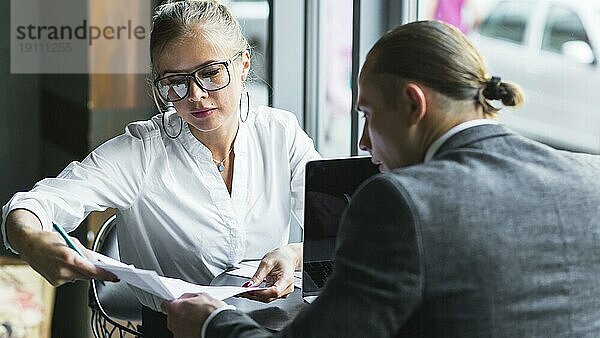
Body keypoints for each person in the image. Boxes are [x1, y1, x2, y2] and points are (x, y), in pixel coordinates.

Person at [162, 20, 600, 337]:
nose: (365, 141)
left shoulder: (400, 202)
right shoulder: (590, 178)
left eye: (368, 115)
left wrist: (211, 324)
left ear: (414, 104)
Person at [1, 0, 319, 336]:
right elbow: (38, 202)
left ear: (243, 64)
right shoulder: (140, 153)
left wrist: (294, 254)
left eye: (211, 73)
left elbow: (341, 228)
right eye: (175, 81)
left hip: (270, 325)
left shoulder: (280, 133)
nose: (195, 94)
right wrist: (30, 239)